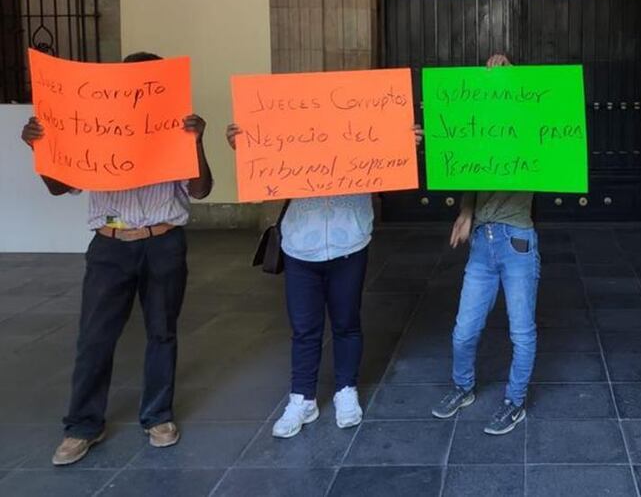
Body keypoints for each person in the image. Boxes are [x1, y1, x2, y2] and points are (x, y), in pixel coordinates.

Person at [20, 51, 214, 466]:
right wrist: (42, 148)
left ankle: (158, 416)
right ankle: (82, 425)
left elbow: (200, 190)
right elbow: (59, 186)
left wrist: (196, 141)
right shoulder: (94, 128)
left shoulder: (175, 128)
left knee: (162, 332)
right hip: (110, 246)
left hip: (163, 242)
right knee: (95, 336)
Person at [225, 121, 422, 438]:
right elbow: (266, 165)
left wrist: (403, 147)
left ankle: (346, 389)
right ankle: (302, 398)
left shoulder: (362, 119)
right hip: (301, 242)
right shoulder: (291, 120)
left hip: (349, 239)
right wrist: (247, 147)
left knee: (347, 323)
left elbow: (386, 167)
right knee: (304, 329)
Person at [431, 53, 540, 436]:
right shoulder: (481, 131)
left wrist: (514, 75)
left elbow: (541, 104)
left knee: (521, 332)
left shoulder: (529, 128)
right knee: (464, 330)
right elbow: (471, 174)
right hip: (482, 242)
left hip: (517, 240)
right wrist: (465, 212)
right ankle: (463, 387)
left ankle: (514, 402)